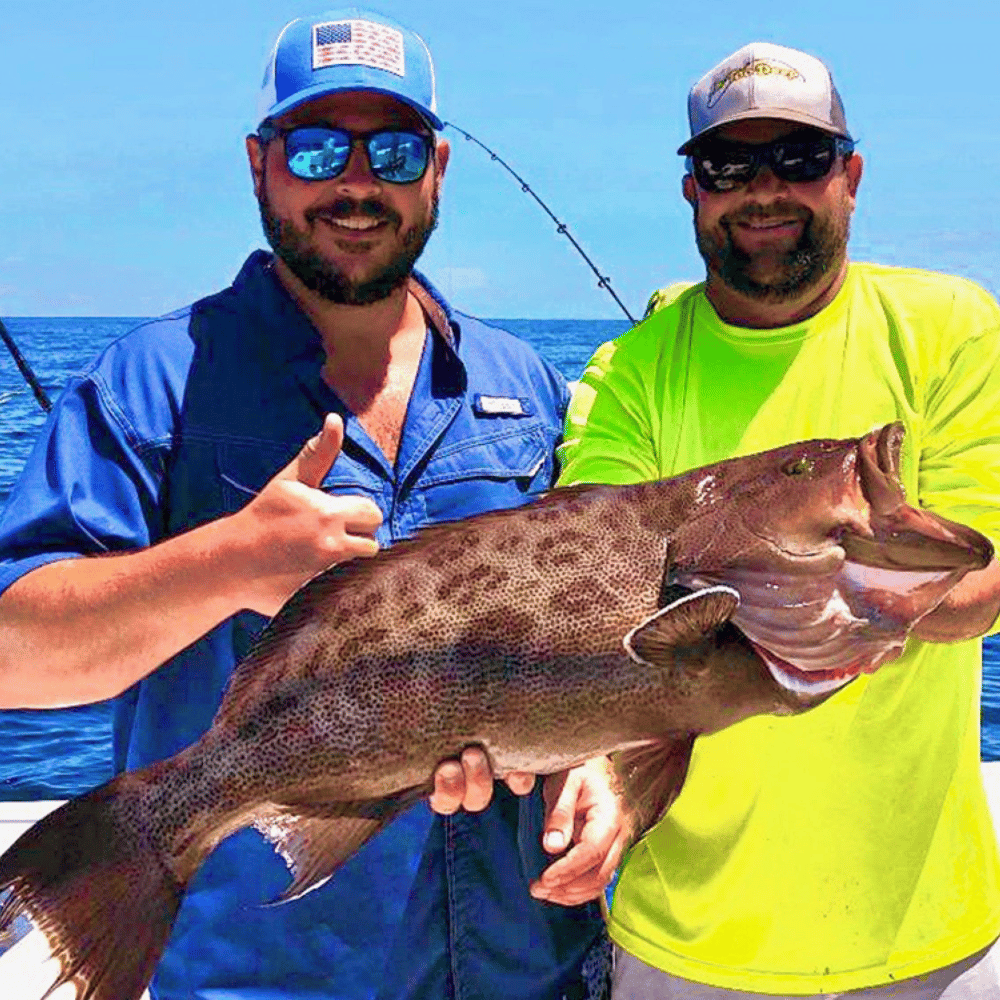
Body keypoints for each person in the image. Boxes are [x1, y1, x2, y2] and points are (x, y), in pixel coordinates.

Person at [0, 9, 624, 998]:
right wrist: (226, 563)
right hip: (263, 976)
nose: (356, 181)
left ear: (439, 169)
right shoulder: (153, 382)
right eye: (318, 146)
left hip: (527, 964)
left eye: (394, 148)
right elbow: (15, 657)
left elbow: (588, 638)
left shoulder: (525, 384)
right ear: (259, 164)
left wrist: (596, 762)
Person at [555, 41, 1000, 1000]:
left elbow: (980, 593)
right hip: (683, 942)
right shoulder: (628, 374)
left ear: (851, 175)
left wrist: (806, 585)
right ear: (692, 191)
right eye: (728, 166)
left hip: (929, 940)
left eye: (798, 160)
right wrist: (592, 765)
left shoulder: (953, 327)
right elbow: (594, 601)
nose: (764, 190)